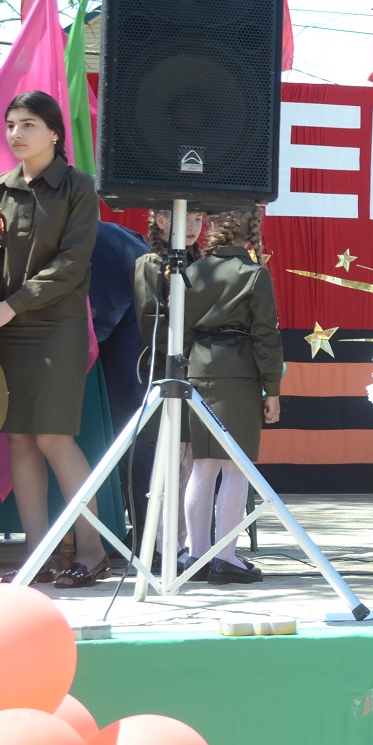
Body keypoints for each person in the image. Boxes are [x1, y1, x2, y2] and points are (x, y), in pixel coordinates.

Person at [0, 91, 109, 587]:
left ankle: (91, 551)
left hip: (56, 326)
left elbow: (72, 264)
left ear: (55, 132)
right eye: (11, 124)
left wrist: (9, 306)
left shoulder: (79, 188)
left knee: (54, 436)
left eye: (29, 124)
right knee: (19, 439)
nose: (16, 133)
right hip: (4, 325)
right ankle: (38, 557)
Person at [177, 208, 281, 584]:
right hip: (238, 373)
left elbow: (181, 330)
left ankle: (196, 556)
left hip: (198, 369)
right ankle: (225, 557)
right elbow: (266, 335)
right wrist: (273, 388)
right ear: (251, 233)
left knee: (202, 465)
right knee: (236, 466)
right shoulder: (254, 274)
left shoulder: (192, 272)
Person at [130, 209, 205, 563]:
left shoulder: (204, 263)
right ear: (161, 220)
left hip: (203, 372)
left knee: (195, 462)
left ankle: (190, 544)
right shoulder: (149, 263)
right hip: (167, 370)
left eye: (199, 219)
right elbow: (151, 324)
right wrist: (190, 345)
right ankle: (161, 546)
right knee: (169, 462)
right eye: (185, 217)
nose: (192, 227)